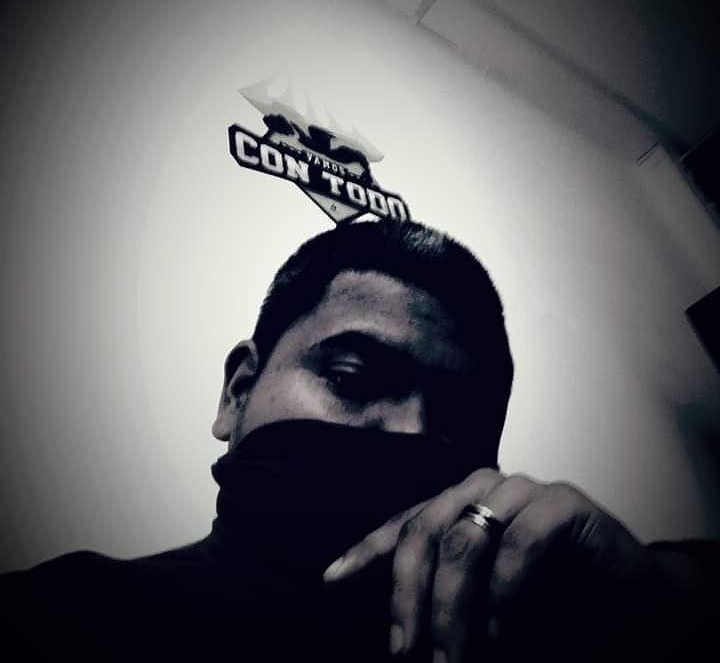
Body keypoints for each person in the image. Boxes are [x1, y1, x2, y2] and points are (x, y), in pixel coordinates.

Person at [1, 219, 717, 662]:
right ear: (237, 392)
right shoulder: (63, 622)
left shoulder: (534, 639)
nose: (413, 435)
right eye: (351, 378)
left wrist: (667, 605)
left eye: (463, 421)